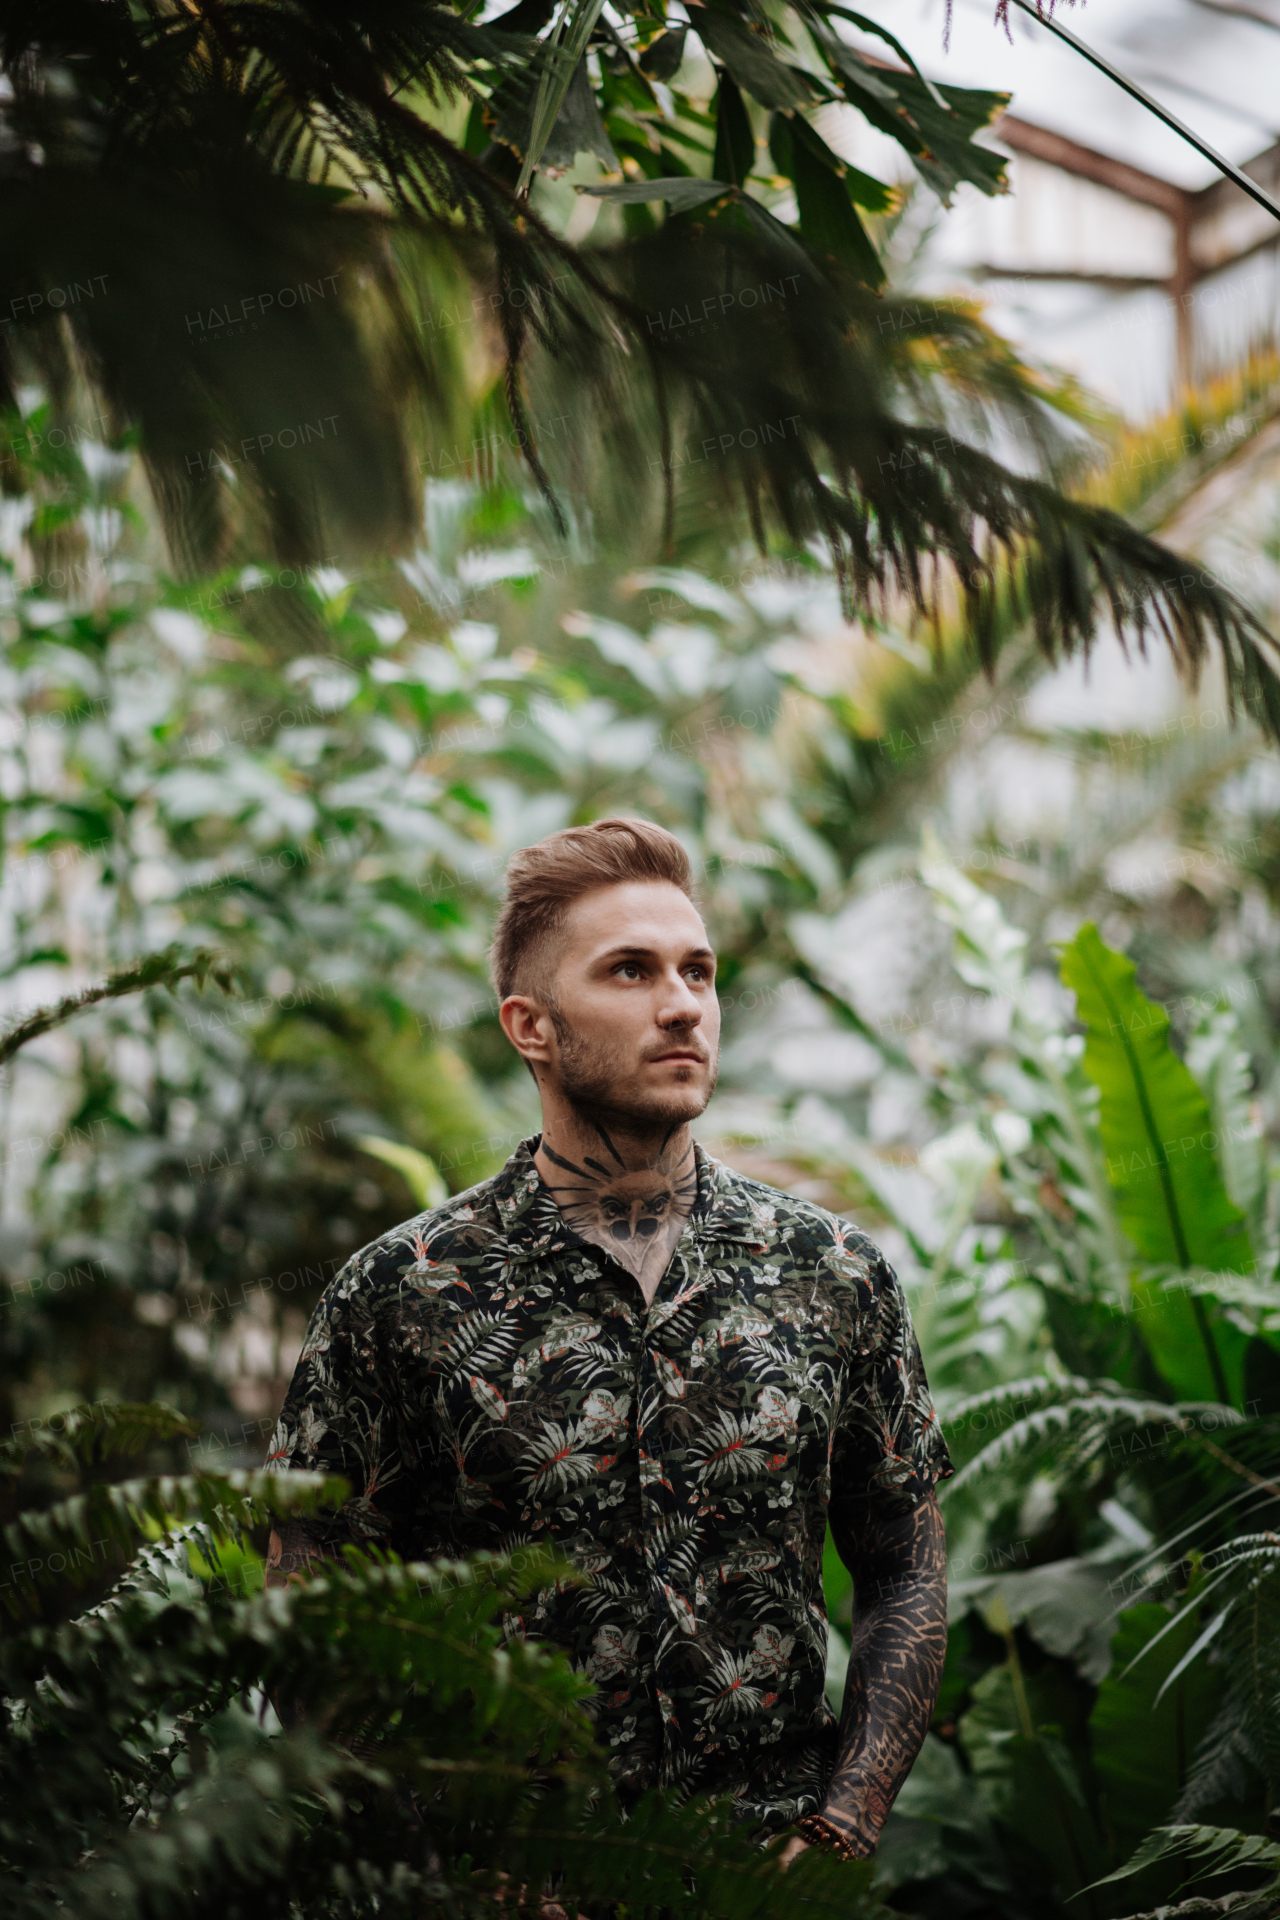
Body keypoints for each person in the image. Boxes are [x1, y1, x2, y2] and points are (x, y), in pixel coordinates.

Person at [264, 816, 951, 1864]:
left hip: (766, 1881)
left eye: (697, 971)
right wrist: (437, 1856)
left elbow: (903, 1565)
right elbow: (307, 1615)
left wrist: (846, 1822)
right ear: (529, 1025)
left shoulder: (832, 1273)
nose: (681, 1006)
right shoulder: (401, 1294)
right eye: (629, 972)